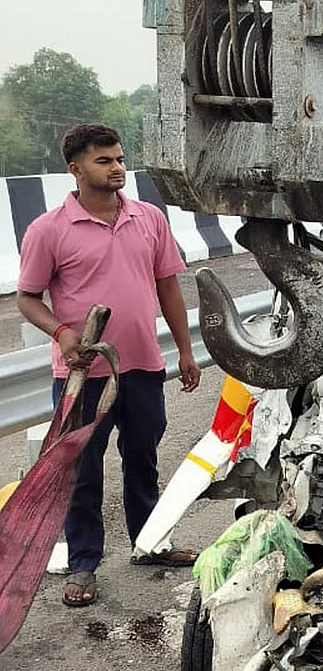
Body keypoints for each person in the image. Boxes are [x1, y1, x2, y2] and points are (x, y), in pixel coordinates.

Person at [16, 124, 203, 608]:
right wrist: (62, 333)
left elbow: (168, 287)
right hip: (83, 374)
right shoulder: (49, 229)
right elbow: (27, 298)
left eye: (119, 159)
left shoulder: (149, 218)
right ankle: (84, 563)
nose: (117, 168)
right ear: (75, 170)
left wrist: (183, 351)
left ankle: (150, 541)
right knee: (81, 469)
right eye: (104, 161)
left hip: (141, 366)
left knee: (143, 456)